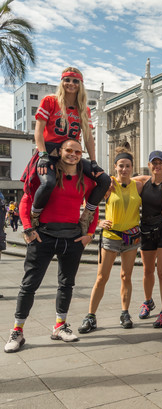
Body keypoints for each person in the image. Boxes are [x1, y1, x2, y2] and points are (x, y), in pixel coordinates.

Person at [4, 139, 98, 353]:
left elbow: (92, 207)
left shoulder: (86, 180)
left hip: (72, 238)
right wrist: (28, 228)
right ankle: (17, 331)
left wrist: (89, 234)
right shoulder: (46, 172)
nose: (73, 154)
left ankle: (59, 325)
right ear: (61, 152)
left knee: (66, 284)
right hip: (43, 236)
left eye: (77, 151)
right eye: (68, 150)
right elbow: (26, 200)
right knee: (29, 285)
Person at [21, 67, 110, 235]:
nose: (71, 84)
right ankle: (35, 215)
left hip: (70, 155)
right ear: (62, 82)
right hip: (48, 153)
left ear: (80, 84)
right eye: (67, 80)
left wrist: (93, 162)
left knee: (104, 180)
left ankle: (86, 216)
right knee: (48, 183)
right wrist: (42, 155)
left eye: (75, 80)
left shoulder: (84, 109)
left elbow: (89, 137)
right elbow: (38, 132)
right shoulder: (50, 101)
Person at [78, 148, 143, 333]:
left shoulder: (137, 186)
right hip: (110, 237)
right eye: (121, 166)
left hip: (131, 238)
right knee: (101, 277)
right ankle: (90, 316)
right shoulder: (108, 184)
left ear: (132, 167)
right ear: (115, 167)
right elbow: (88, 205)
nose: (124, 169)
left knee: (126, 276)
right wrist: (99, 221)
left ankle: (125, 312)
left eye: (128, 166)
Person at [131, 151, 162, 328]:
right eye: (154, 163)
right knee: (147, 270)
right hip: (147, 229)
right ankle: (148, 301)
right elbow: (125, 180)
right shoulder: (142, 184)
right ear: (149, 165)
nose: (157, 166)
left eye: (160, 163)